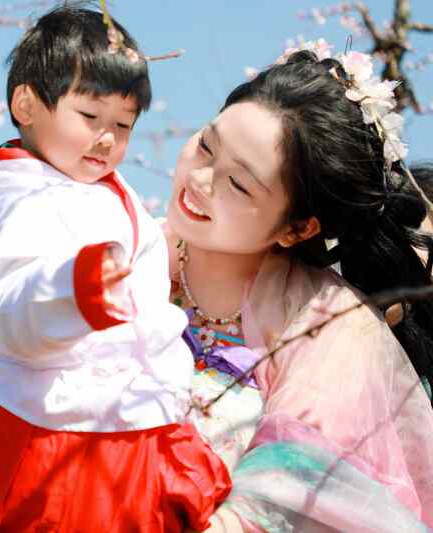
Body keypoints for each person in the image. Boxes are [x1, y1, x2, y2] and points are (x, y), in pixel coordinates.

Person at [0, 6, 230, 533]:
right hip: (60, 431)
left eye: (123, 125)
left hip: (137, 418)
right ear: (26, 104)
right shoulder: (17, 205)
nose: (106, 139)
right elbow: (16, 307)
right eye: (90, 117)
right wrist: (76, 288)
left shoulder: (98, 189)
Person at [164, 45, 433, 531]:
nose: (200, 180)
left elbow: (287, 497)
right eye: (206, 145)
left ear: (297, 228)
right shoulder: (124, 248)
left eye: (239, 184)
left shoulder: (330, 325)